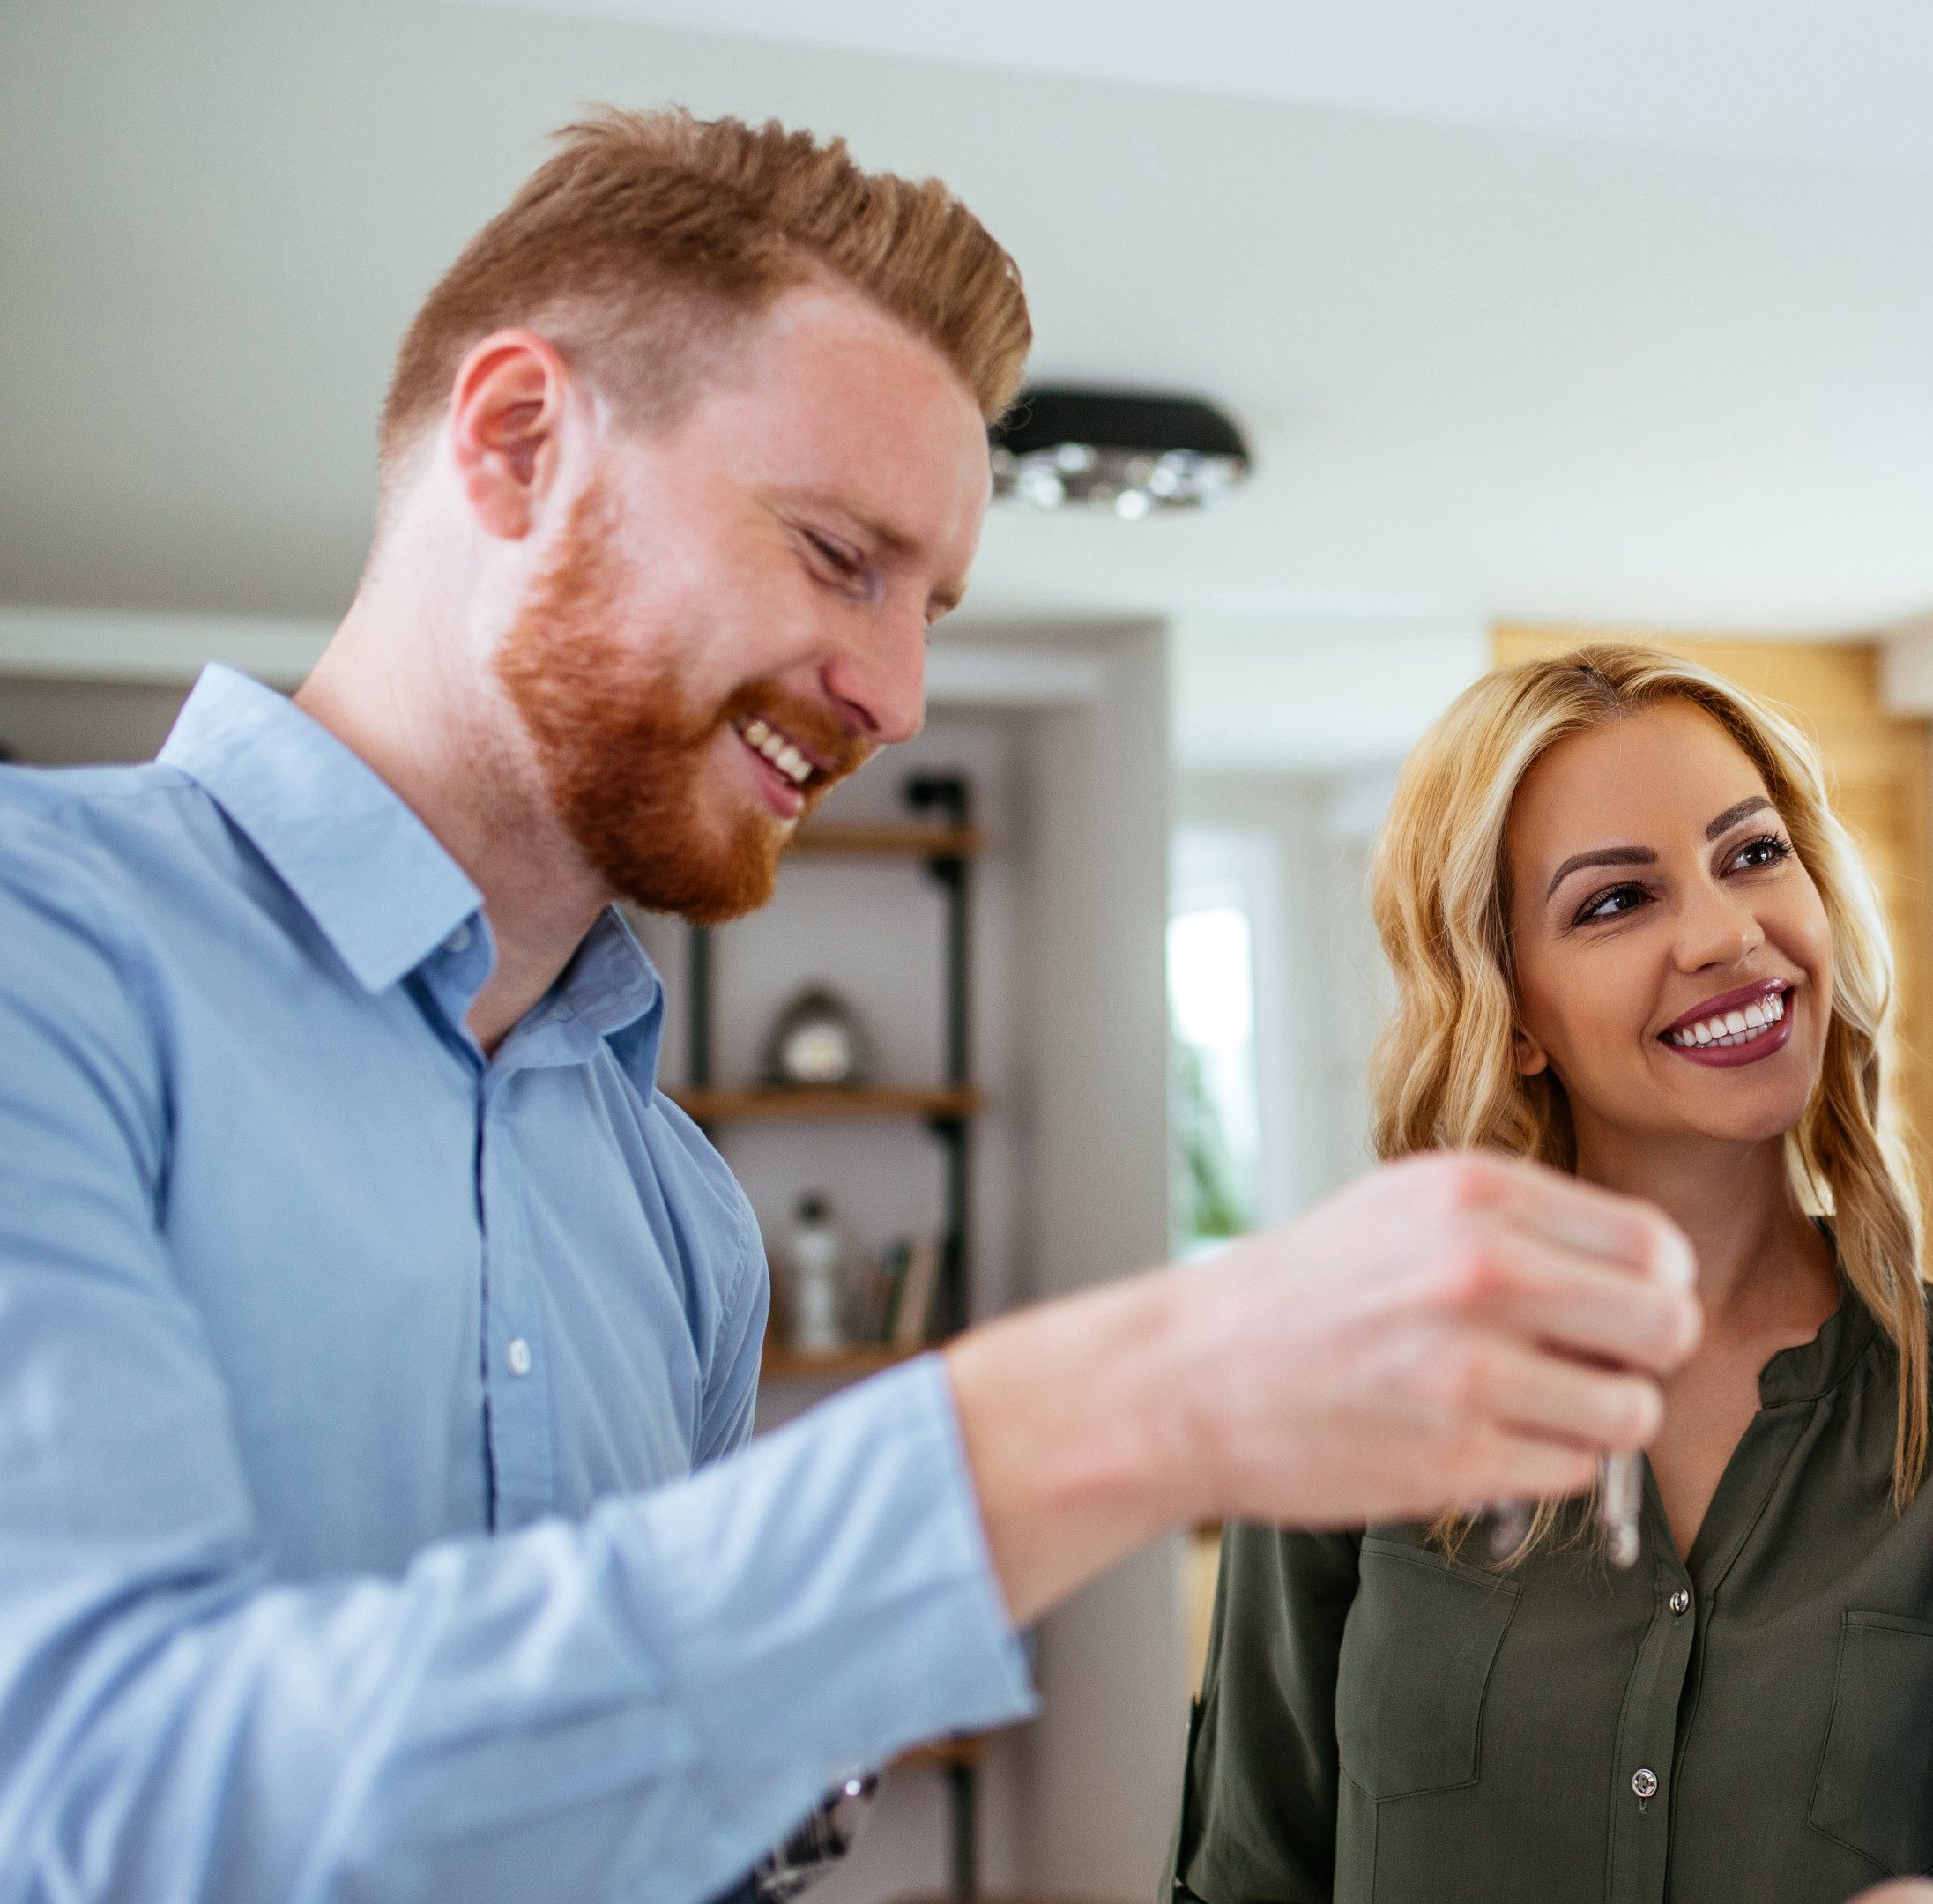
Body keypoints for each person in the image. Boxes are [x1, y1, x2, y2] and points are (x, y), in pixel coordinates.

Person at [0, 109, 1704, 1903]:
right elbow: (112, 1800)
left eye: (935, 607)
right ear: (515, 444)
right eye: (836, 556)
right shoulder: (49, 949)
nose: (895, 695)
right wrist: (1133, 1397)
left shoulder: (674, 1215)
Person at [1168, 646, 1933, 1904]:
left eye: (1754, 853)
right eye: (1616, 902)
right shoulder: (1341, 1398)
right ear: (1507, 1012)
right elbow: (1243, 1883)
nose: (1729, 934)